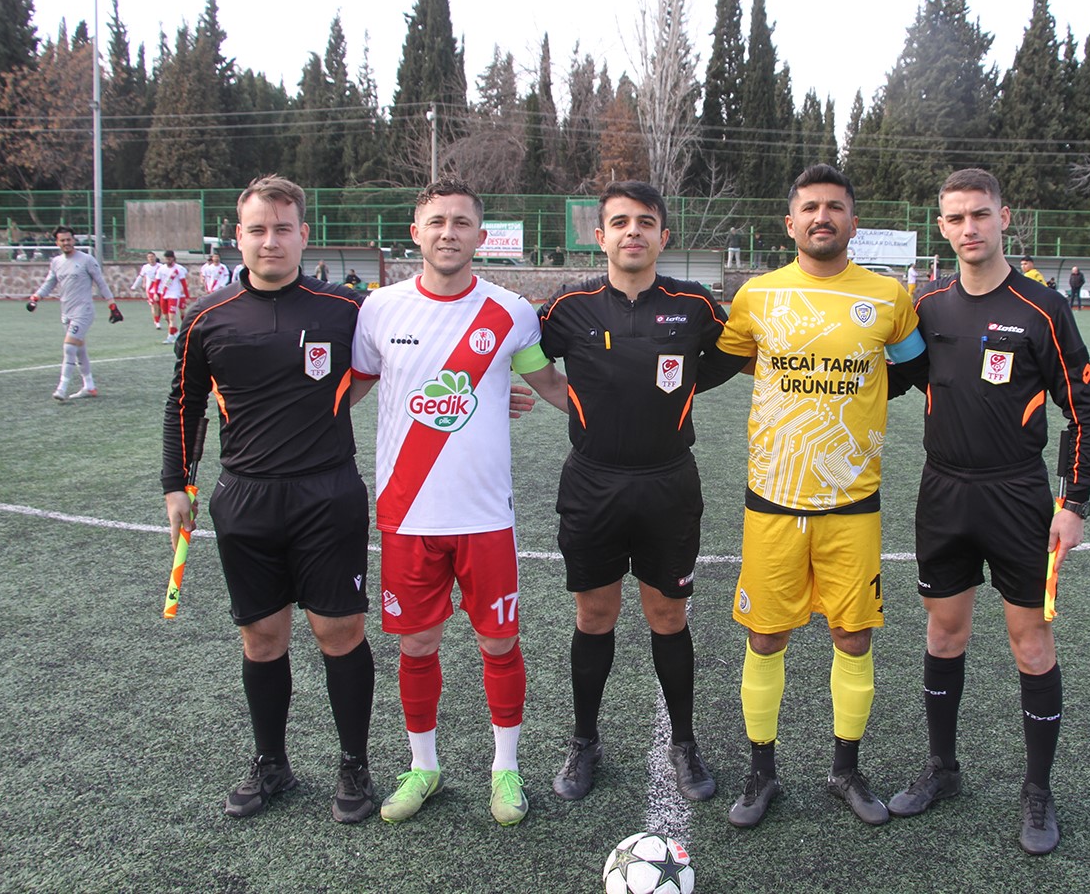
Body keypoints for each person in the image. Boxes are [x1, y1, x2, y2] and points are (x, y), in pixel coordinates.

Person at [886, 168, 1090, 856]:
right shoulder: (927, 306)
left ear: (1005, 217)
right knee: (944, 633)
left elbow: (1083, 410)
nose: (969, 228)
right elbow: (893, 380)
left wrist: (1074, 503)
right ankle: (942, 770)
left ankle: (1037, 790)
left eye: (980, 214)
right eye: (955, 218)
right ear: (941, 228)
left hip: (1017, 496)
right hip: (943, 493)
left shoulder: (1042, 308)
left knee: (1030, 642)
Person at [349, 178, 569, 828]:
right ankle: (424, 766)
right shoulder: (379, 310)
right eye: (437, 221)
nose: (449, 232)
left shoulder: (511, 312)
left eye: (462, 222)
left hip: (485, 516)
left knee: (499, 643)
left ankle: (505, 769)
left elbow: (550, 385)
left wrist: (631, 413)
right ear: (416, 232)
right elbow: (350, 391)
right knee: (417, 646)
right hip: (407, 515)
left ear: (481, 235)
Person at [716, 164, 927, 829]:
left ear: (853, 222)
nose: (822, 217)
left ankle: (845, 770)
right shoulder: (758, 295)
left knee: (853, 635)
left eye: (834, 207)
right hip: (773, 498)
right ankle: (761, 773)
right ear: (791, 223)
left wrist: (862, 397)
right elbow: (735, 358)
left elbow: (914, 368)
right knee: (765, 635)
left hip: (852, 502)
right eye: (809, 207)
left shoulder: (889, 296)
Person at [161, 175, 377, 824]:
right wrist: (176, 483)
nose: (270, 240)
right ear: (239, 237)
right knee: (261, 637)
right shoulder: (208, 316)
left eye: (283, 228)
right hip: (245, 498)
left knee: (339, 631)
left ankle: (354, 764)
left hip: (328, 493)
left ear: (303, 235)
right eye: (258, 229)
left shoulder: (346, 308)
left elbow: (409, 356)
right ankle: (271, 762)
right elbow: (183, 403)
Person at [536, 181, 746, 806]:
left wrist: (681, 388)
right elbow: (526, 356)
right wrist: (566, 401)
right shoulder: (568, 305)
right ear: (600, 236)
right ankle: (585, 742)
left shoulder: (695, 304)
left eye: (646, 222)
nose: (634, 231)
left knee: (669, 616)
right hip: (591, 483)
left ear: (663, 236)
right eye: (621, 222)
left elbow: (729, 356)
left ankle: (683, 742)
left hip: (667, 484)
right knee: (594, 616)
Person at [27, 225, 122, 400]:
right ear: (57, 243)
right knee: (79, 350)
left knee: (69, 347)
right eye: (62, 240)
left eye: (69, 239)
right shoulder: (56, 262)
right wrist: (36, 297)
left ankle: (62, 388)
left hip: (83, 311)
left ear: (74, 240)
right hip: (66, 311)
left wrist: (112, 304)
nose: (66, 243)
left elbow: (101, 282)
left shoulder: (86, 260)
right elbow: (50, 282)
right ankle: (89, 386)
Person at [155, 250, 191, 344]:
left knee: (172, 317)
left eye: (169, 259)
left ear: (173, 258)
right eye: (166, 259)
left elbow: (184, 283)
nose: (168, 260)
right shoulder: (161, 269)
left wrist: (187, 296)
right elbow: (157, 281)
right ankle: (176, 333)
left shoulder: (178, 269)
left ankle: (170, 336)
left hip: (174, 295)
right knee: (166, 317)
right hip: (164, 294)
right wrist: (156, 293)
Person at [134, 251, 164, 330]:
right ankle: (157, 322)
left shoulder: (161, 267)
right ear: (147, 259)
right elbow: (141, 276)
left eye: (152, 257)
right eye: (149, 257)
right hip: (150, 289)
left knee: (160, 306)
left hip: (160, 289)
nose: (151, 258)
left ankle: (158, 319)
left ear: (155, 257)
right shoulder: (145, 267)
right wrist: (134, 286)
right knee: (154, 305)